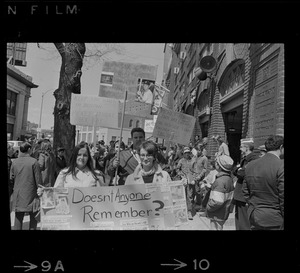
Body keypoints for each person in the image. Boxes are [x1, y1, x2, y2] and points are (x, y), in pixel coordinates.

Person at [242, 135, 284, 230]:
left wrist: (252, 206)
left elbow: (245, 191)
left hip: (255, 214)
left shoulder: (251, 165)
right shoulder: (281, 166)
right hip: (275, 218)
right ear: (281, 147)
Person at [10, 142, 43, 230]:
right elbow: (38, 180)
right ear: (29, 149)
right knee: (33, 217)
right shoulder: (34, 161)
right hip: (31, 193)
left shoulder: (15, 162)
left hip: (18, 193)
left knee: (18, 217)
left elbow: (11, 178)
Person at [232, 138, 260, 230]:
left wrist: (238, 170)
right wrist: (238, 170)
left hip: (244, 196)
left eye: (241, 147)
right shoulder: (245, 159)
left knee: (244, 223)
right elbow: (236, 170)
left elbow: (243, 173)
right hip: (240, 195)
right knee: (239, 220)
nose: (240, 149)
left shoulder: (253, 159)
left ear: (246, 148)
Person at [206, 154, 234, 230]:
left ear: (219, 166)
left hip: (217, 213)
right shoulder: (229, 178)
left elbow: (217, 201)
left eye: (216, 162)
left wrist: (208, 207)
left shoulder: (220, 181)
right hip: (223, 211)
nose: (215, 163)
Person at [176, 146, 196, 220]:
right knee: (181, 195)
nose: (187, 154)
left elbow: (195, 170)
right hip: (183, 180)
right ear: (183, 154)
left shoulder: (193, 161)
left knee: (190, 196)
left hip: (190, 180)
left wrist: (194, 178)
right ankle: (181, 210)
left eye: (188, 153)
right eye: (185, 153)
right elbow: (177, 169)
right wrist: (181, 175)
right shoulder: (181, 161)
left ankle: (189, 211)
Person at [192, 144, 208, 212]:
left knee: (198, 191)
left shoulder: (204, 158)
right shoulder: (194, 157)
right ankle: (195, 203)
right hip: (194, 176)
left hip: (200, 177)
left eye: (199, 150)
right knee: (193, 190)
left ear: (201, 150)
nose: (198, 151)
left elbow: (205, 169)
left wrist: (200, 176)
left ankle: (200, 204)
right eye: (197, 150)